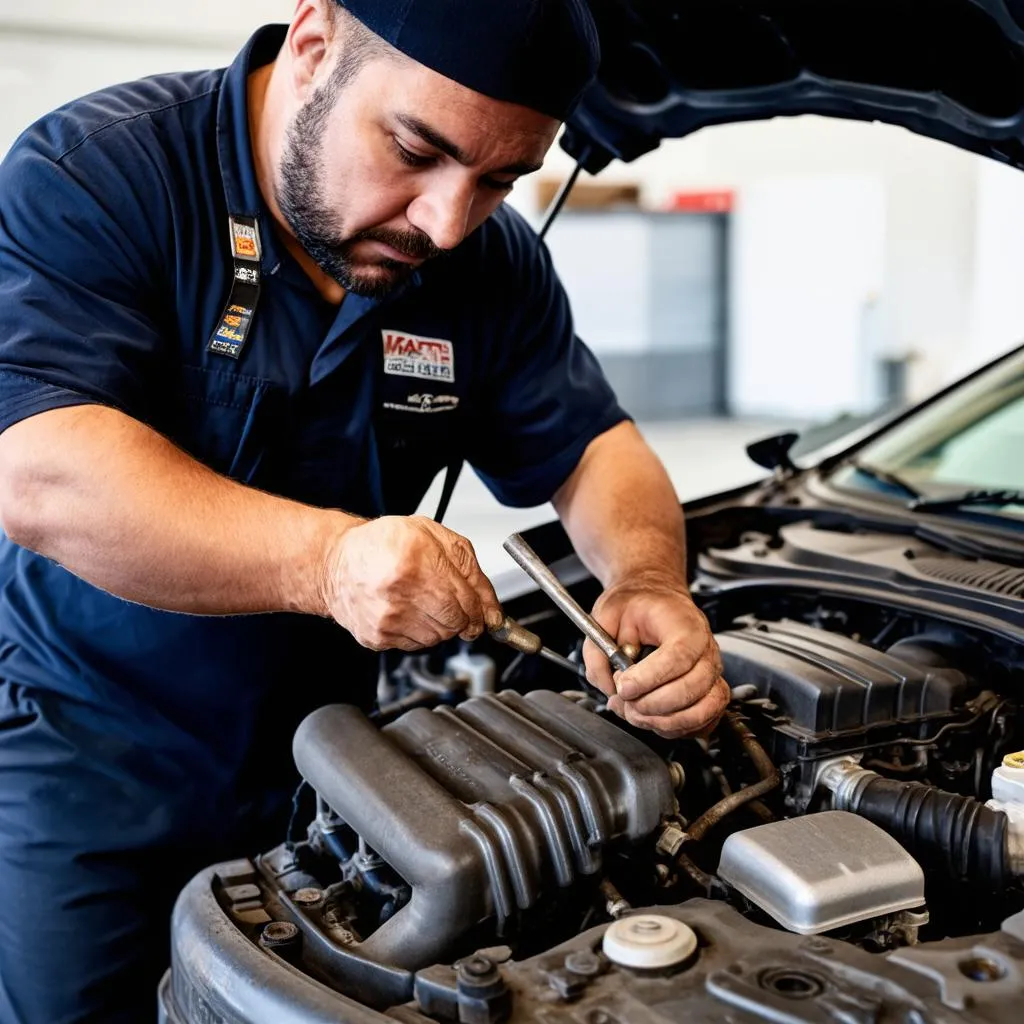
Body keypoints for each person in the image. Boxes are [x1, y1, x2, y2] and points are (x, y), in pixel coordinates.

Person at [0, 0, 728, 1018]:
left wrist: (645, 580)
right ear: (312, 47)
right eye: (415, 150)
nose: (444, 221)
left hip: (332, 765)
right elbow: (38, 468)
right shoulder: (101, 173)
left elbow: (595, 449)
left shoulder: (488, 263)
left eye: (497, 180)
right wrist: (330, 564)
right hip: (90, 760)